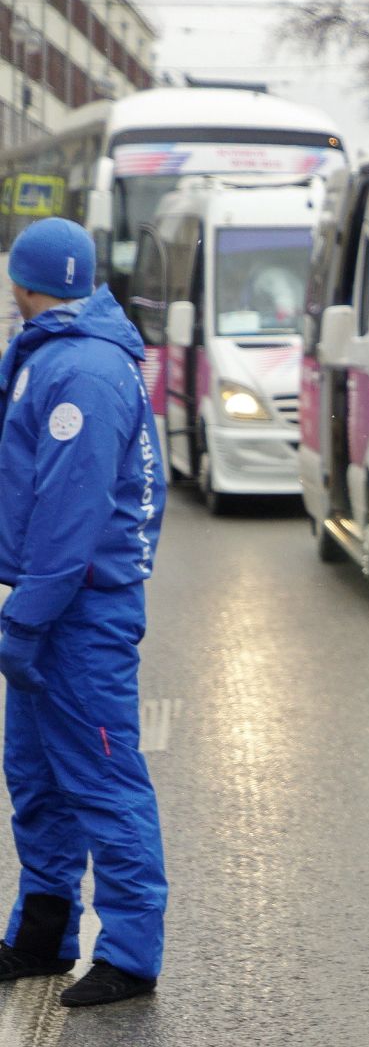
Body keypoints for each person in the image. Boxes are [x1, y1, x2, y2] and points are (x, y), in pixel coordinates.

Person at [0, 218, 168, 1007]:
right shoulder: (62, 355)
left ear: (20, 280)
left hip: (77, 614)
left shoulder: (83, 372)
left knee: (103, 779)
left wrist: (27, 619)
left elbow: (70, 510)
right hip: (54, 601)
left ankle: (131, 956)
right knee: (36, 779)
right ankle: (41, 934)